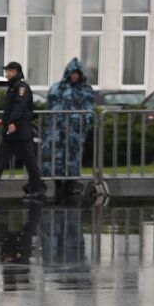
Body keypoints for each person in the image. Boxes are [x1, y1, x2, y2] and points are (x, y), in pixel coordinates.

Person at [0, 60, 45, 198]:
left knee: (30, 161)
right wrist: (4, 121)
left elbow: (20, 107)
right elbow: (11, 109)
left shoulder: (21, 88)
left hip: (21, 133)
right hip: (12, 133)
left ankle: (37, 188)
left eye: (8, 71)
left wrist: (13, 122)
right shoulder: (13, 87)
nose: (6, 74)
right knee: (0, 160)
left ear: (14, 72)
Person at [40, 56, 96, 199]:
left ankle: (71, 183)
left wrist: (83, 123)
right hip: (57, 131)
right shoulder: (57, 89)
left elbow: (89, 110)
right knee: (56, 157)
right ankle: (58, 183)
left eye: (77, 73)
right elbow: (50, 108)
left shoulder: (85, 90)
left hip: (75, 132)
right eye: (72, 73)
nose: (74, 76)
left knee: (73, 158)